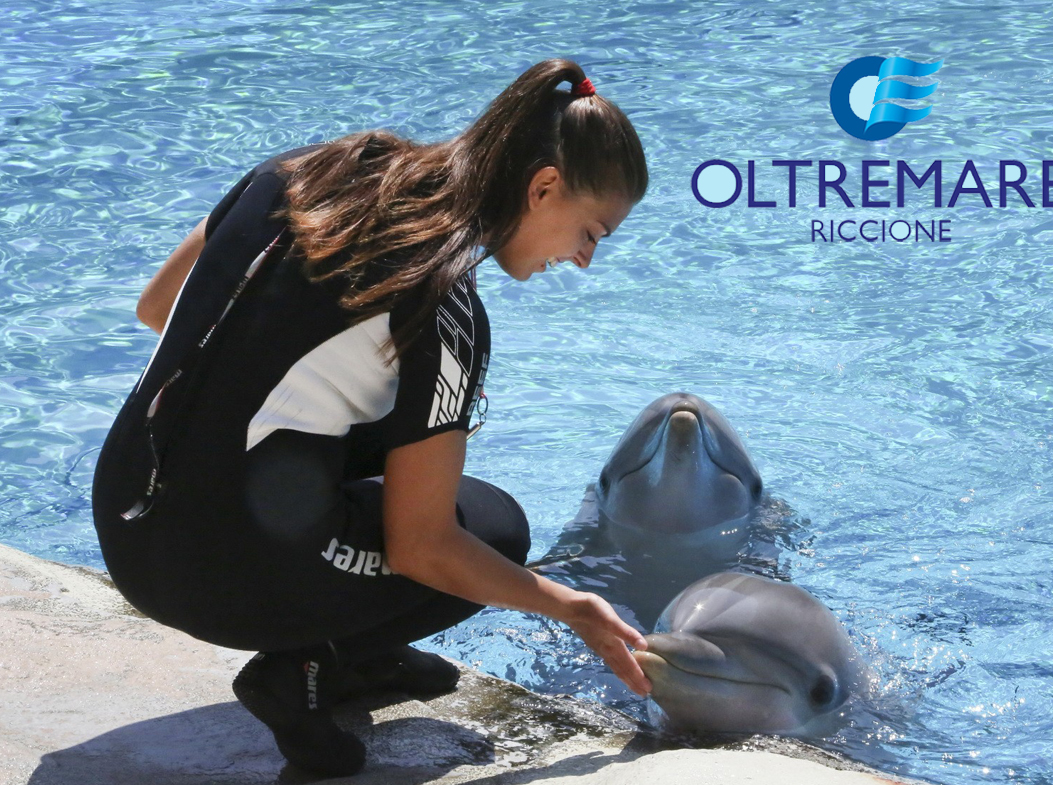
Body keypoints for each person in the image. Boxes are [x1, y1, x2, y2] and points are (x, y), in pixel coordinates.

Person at [91, 59, 650, 777]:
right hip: (211, 581)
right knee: (497, 533)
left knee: (361, 422)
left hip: (124, 518)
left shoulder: (304, 171)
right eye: (591, 232)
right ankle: (311, 664)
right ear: (543, 188)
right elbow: (424, 550)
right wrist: (571, 607)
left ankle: (360, 649)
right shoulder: (441, 302)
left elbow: (157, 309)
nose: (583, 259)